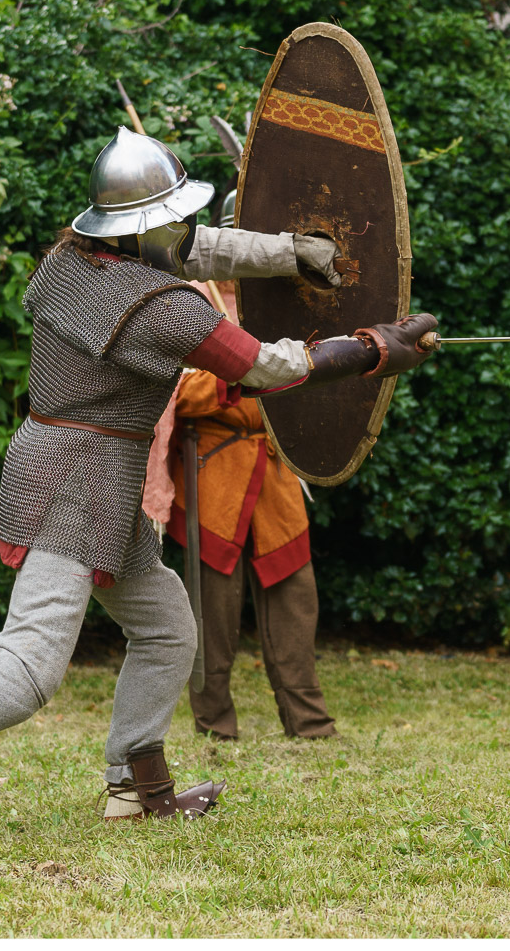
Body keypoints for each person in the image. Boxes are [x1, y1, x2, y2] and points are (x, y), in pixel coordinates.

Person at [0, 128, 435, 850]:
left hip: (88, 473)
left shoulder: (71, 255)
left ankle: (136, 786)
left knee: (168, 628)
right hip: (75, 483)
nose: (186, 233)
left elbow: (203, 248)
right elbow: (263, 366)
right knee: (30, 664)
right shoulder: (164, 309)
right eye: (173, 218)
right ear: (146, 229)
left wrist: (293, 253)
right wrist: (371, 348)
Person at [147, 273, 338, 740]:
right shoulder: (191, 300)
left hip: (273, 468)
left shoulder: (282, 304)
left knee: (297, 596)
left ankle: (309, 724)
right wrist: (245, 375)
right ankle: (215, 727)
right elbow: (173, 391)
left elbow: (309, 372)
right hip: (214, 471)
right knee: (212, 610)